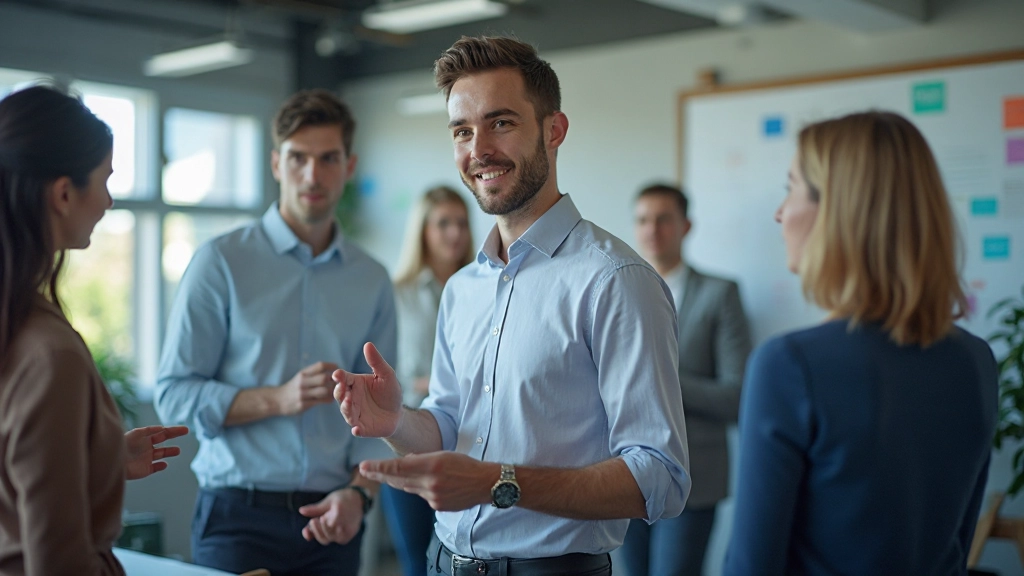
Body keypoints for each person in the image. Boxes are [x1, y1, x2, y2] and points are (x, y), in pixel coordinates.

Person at [333, 36, 691, 576]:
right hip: (443, 563)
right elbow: (451, 425)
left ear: (554, 130)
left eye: (501, 123)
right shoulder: (462, 289)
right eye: (462, 130)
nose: (478, 149)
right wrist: (397, 422)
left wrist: (499, 483)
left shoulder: (615, 281)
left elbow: (660, 478)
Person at [723, 111, 998, 575]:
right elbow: (958, 543)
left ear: (837, 210)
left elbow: (752, 567)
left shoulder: (789, 365)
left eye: (790, 188)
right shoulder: (976, 359)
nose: (780, 212)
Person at [154, 89, 396, 576]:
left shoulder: (372, 279)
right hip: (235, 520)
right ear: (275, 163)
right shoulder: (219, 263)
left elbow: (382, 417)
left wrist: (359, 494)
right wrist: (277, 399)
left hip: (333, 522)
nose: (313, 175)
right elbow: (174, 396)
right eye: (298, 158)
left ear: (348, 166)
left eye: (328, 158)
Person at [0, 85, 188, 576]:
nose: (107, 201)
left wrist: (99, 457)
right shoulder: (49, 353)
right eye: (104, 180)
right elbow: (57, 560)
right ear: (63, 193)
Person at [616, 184, 751, 576]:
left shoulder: (720, 294)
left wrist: (660, 379)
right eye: (643, 220)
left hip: (694, 477)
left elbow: (737, 396)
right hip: (625, 473)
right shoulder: (617, 291)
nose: (652, 229)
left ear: (686, 225)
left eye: (663, 219)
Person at [384, 185, 474, 576]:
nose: (455, 233)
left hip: (470, 445)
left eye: (461, 223)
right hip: (409, 444)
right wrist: (423, 384)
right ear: (423, 230)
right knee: (417, 562)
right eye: (443, 224)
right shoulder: (396, 295)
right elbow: (381, 374)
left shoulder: (483, 288)